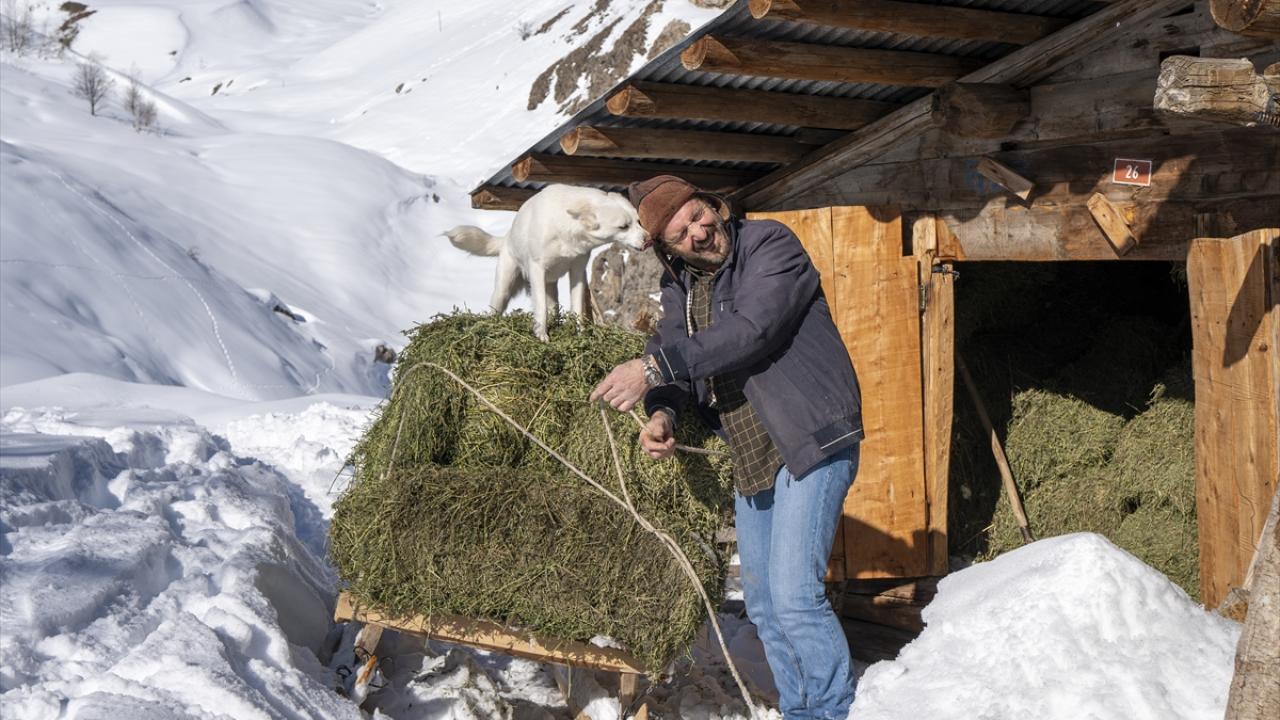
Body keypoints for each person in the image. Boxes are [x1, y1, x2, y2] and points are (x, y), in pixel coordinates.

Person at [589, 175, 864, 719]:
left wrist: (652, 369)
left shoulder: (769, 244)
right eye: (680, 232)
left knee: (795, 597)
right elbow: (676, 357)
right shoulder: (682, 290)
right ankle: (800, 709)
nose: (698, 231)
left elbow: (752, 329)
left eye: (697, 215)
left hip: (810, 436)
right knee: (763, 605)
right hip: (752, 451)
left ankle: (832, 711)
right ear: (666, 248)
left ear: (712, 205)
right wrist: (662, 413)